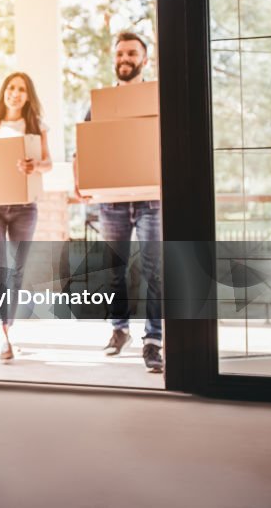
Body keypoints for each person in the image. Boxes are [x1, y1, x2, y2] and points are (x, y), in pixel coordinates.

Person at [73, 31, 164, 373]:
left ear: (144, 59)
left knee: (155, 271)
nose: (125, 59)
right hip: (111, 202)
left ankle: (153, 340)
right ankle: (119, 330)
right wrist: (80, 181)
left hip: (151, 200)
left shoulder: (156, 98)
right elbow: (82, 147)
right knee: (115, 271)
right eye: (120, 54)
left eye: (132, 53)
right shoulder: (100, 103)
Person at [0, 72, 52, 361]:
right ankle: (1, 334)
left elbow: (48, 163)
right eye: (11, 87)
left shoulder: (36, 126)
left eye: (21, 89)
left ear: (28, 96)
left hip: (24, 208)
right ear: (3, 92)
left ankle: (7, 327)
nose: (15, 93)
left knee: (16, 270)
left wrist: (35, 165)